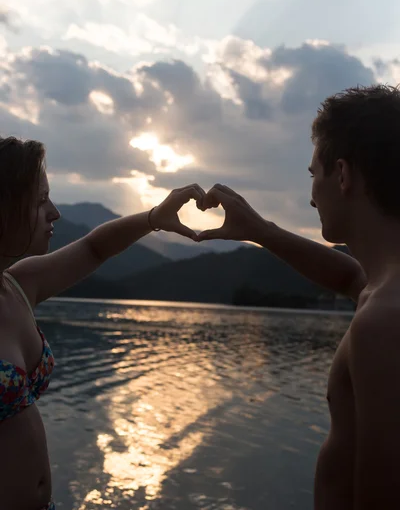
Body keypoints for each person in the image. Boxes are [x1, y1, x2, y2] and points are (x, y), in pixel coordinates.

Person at [197, 83, 400, 510]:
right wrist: (258, 231)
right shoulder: (382, 290)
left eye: (314, 175)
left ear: (342, 174)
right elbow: (350, 278)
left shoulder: (384, 321)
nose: (310, 198)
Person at [0, 135, 206, 510]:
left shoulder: (17, 285)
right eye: (40, 199)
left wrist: (152, 218)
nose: (55, 212)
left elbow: (94, 248)